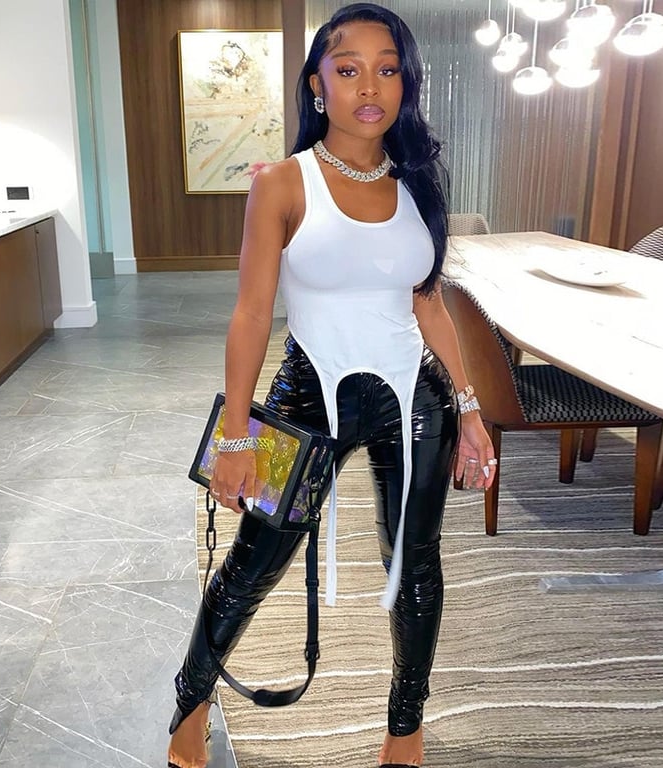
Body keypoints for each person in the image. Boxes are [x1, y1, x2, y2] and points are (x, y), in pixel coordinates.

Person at [168, 4, 497, 767]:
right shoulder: (282, 183)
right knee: (254, 562)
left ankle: (404, 729)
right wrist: (236, 436)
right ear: (318, 84)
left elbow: (428, 301)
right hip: (305, 400)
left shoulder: (419, 183)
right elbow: (251, 314)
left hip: (414, 401)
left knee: (415, 566)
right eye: (348, 69)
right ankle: (190, 701)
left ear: (406, 85)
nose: (369, 86)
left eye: (388, 69)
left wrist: (470, 409)